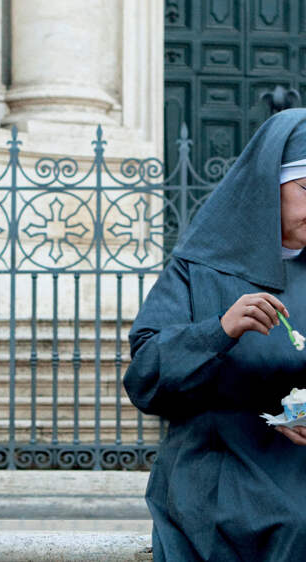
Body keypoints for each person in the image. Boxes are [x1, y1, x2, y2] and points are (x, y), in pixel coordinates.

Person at [124, 108, 306, 560]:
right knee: (293, 524)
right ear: (269, 186)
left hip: (296, 462)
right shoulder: (198, 267)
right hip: (217, 461)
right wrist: (219, 330)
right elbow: (145, 378)